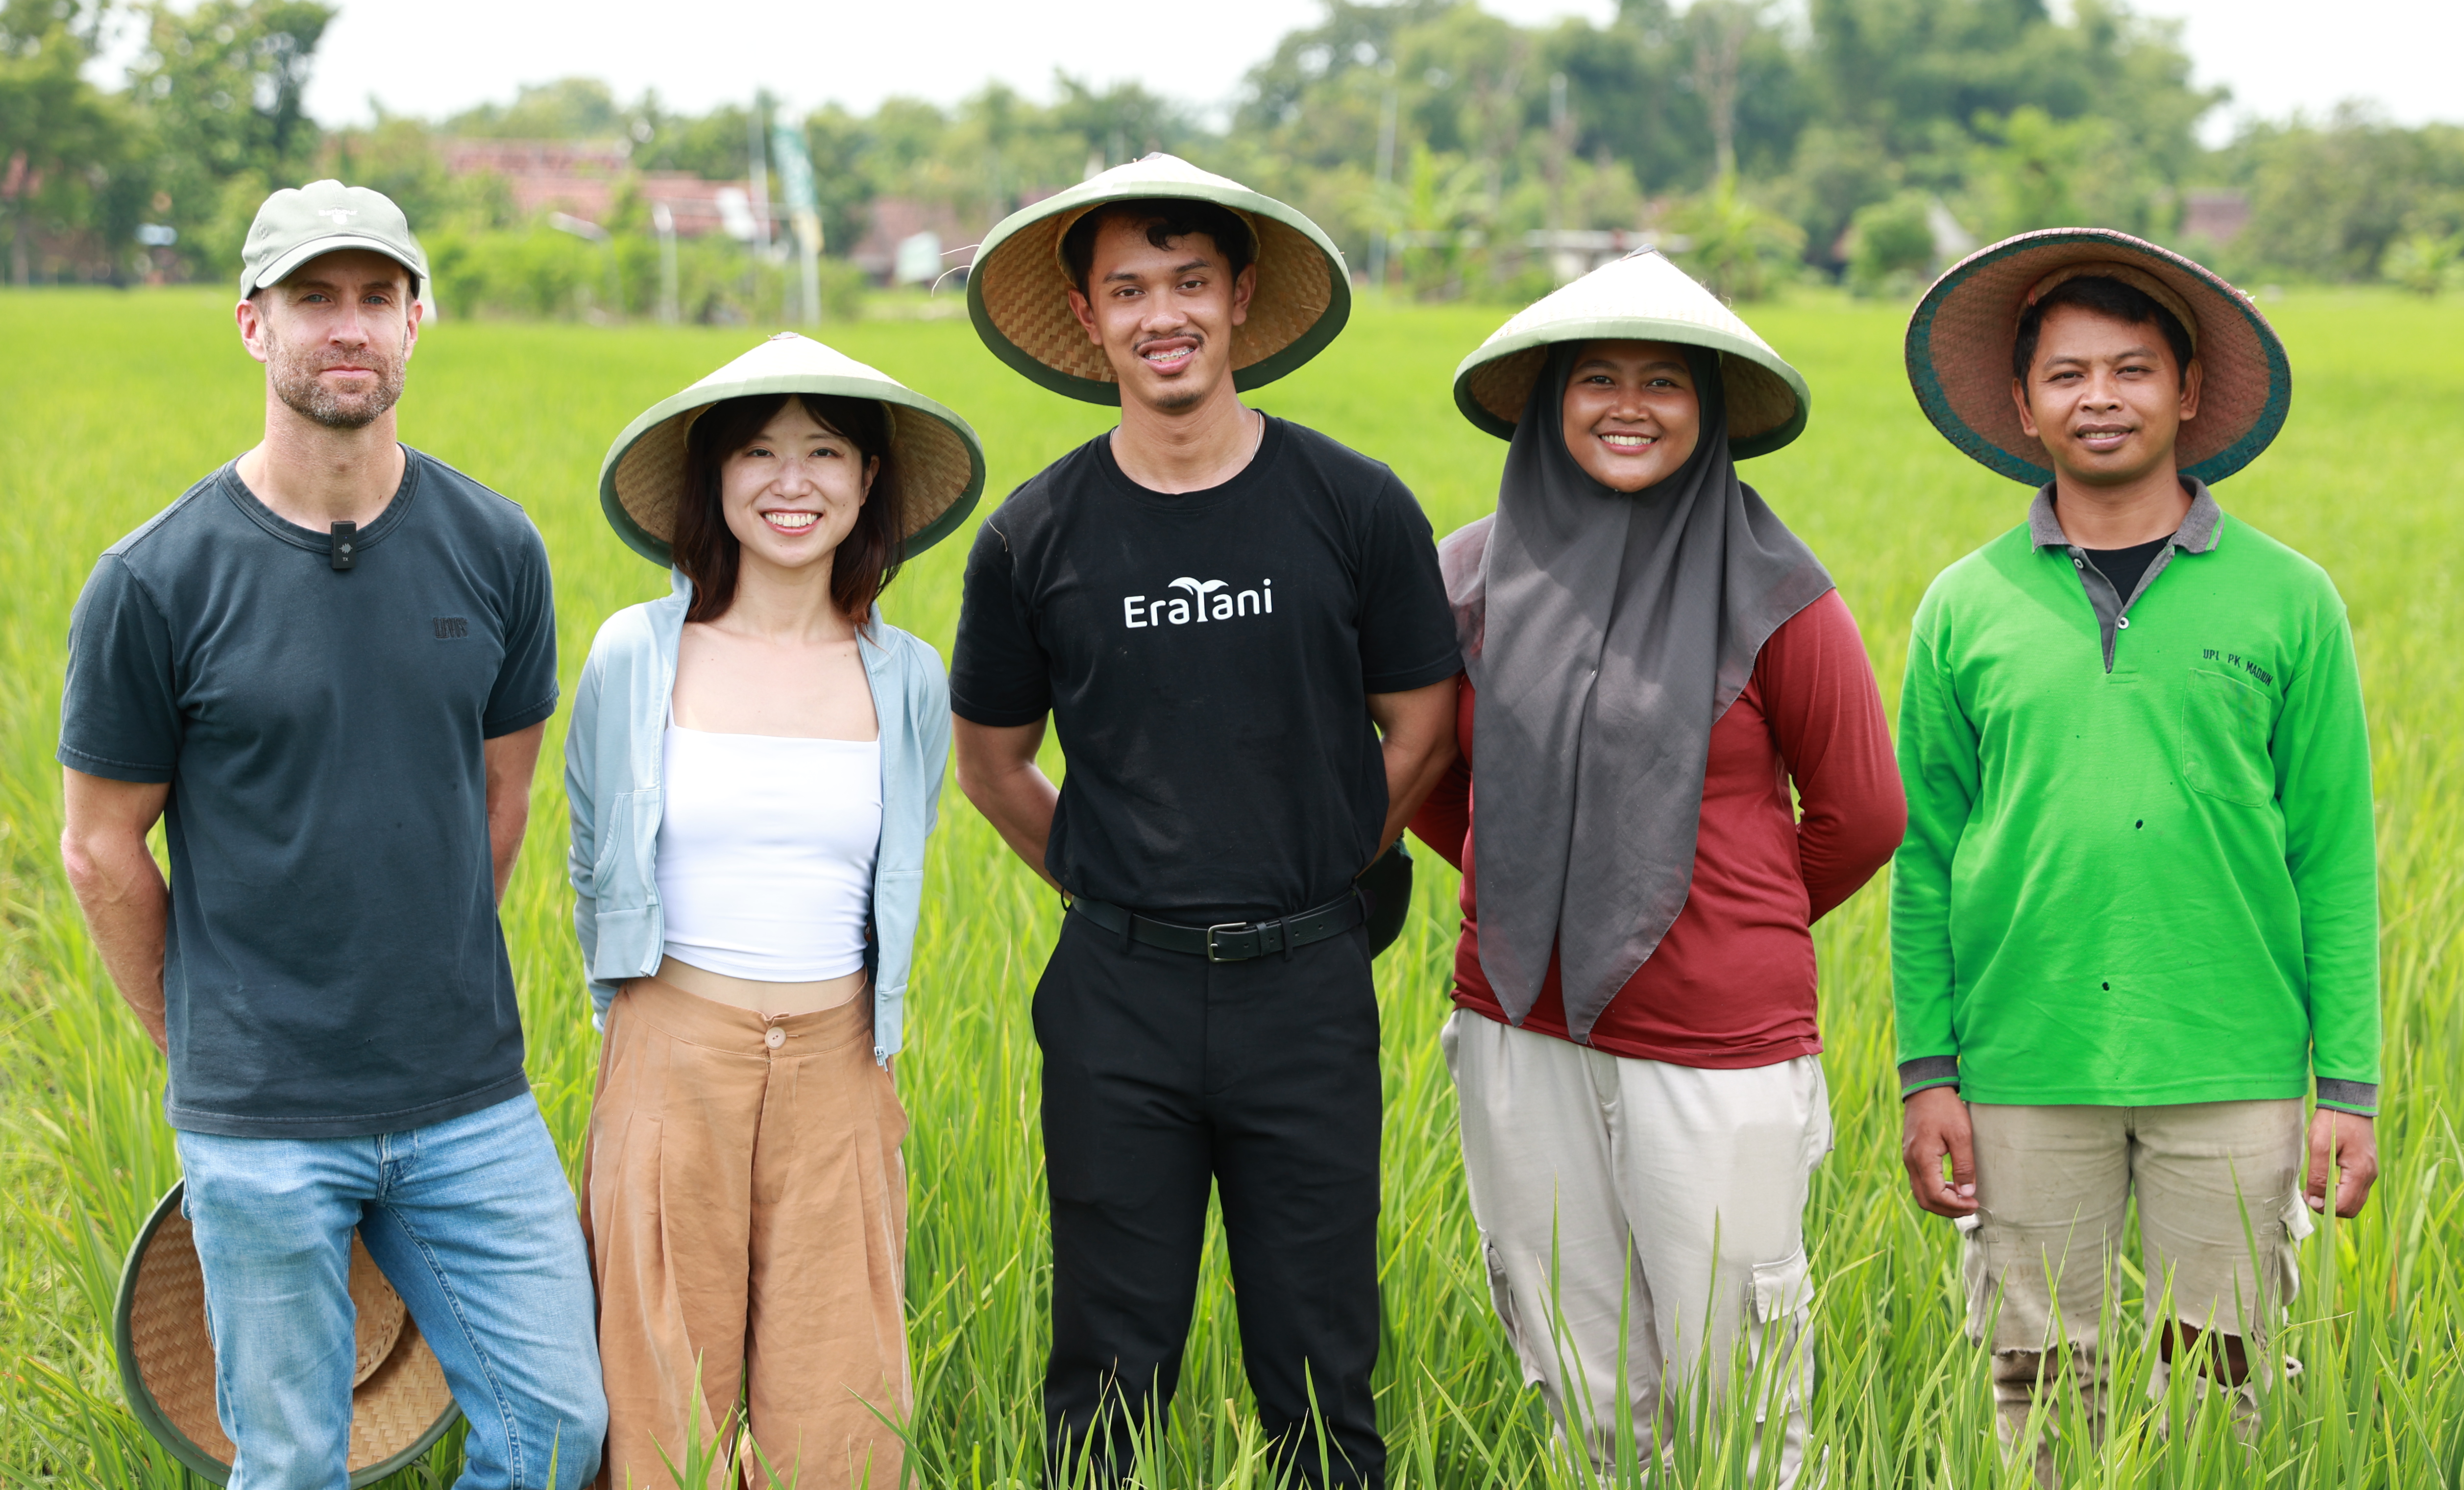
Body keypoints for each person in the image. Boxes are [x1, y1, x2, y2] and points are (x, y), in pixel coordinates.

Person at [56, 180, 606, 1490]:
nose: (346, 327)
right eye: (314, 298)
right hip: (261, 1118)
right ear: (255, 325)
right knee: (293, 1460)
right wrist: (196, 1044)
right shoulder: (156, 581)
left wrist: (423, 978)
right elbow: (98, 846)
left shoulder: (496, 548)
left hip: (468, 1097)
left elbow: (499, 796)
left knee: (560, 1428)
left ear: (420, 320)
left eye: (374, 297)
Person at [948, 155, 1461, 1487]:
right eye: (1128, 290)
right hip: (1119, 996)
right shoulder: (1033, 536)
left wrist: (1324, 864)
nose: (1161, 314)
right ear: (1086, 316)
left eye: (1188, 282)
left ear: (1239, 298)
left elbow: (1424, 724)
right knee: (1108, 1368)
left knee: (1320, 1363)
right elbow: (995, 764)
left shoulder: (1353, 505)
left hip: (1307, 986)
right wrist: (1113, 878)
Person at [1890, 229, 2381, 1477]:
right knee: (2039, 1392)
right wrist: (1926, 1070)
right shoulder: (1967, 604)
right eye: (2066, 375)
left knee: (2223, 1395)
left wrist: (2351, 1091)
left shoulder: (2289, 598)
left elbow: (2333, 855)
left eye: (2131, 370)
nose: (2098, 398)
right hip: (2024, 1057)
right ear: (2022, 406)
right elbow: (1925, 855)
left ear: (2188, 393)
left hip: (2231, 1056)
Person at [1408, 251, 1904, 1485]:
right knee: (1581, 1380)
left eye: (1666, 382)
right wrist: (1529, 888)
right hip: (1521, 1025)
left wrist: (1719, 913)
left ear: (1712, 410)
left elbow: (1862, 812)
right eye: (1597, 379)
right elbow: (1425, 775)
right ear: (1548, 401)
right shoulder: (1466, 581)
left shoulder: (1779, 593)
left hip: (1721, 1044)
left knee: (1737, 1387)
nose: (1630, 404)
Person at [566, 332, 986, 1489]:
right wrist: (629, 1034)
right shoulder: (636, 656)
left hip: (840, 1063)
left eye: (824, 453)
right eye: (757, 452)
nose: (790, 483)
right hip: (670, 1054)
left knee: (840, 1405)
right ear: (714, 480)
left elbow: (897, 870)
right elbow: (590, 847)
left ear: (867, 484)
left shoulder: (904, 679)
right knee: (658, 1406)